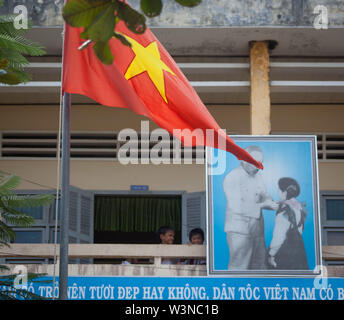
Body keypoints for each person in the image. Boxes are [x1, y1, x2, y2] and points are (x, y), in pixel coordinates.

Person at [223, 145, 278, 270]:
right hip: (239, 231)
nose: (258, 167)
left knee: (260, 265)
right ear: (243, 160)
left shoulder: (257, 176)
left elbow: (265, 196)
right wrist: (264, 205)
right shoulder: (232, 177)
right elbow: (236, 206)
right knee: (240, 266)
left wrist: (275, 204)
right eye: (254, 163)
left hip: (257, 230)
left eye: (260, 163)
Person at [267, 177, 308, 270]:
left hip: (285, 256)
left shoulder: (284, 212)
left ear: (284, 193)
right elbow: (300, 231)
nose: (277, 192)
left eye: (278, 190)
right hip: (299, 254)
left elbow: (278, 238)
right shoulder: (300, 209)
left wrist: (271, 255)